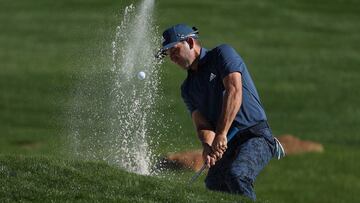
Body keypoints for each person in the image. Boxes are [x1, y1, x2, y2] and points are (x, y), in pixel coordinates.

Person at [157, 24, 284, 201]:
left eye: (174, 49)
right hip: (228, 142)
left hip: (255, 135)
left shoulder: (222, 54)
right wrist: (208, 147)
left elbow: (234, 91)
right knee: (214, 184)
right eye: (168, 53)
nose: (172, 57)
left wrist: (221, 134)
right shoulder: (187, 89)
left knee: (237, 175)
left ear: (190, 42)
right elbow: (202, 124)